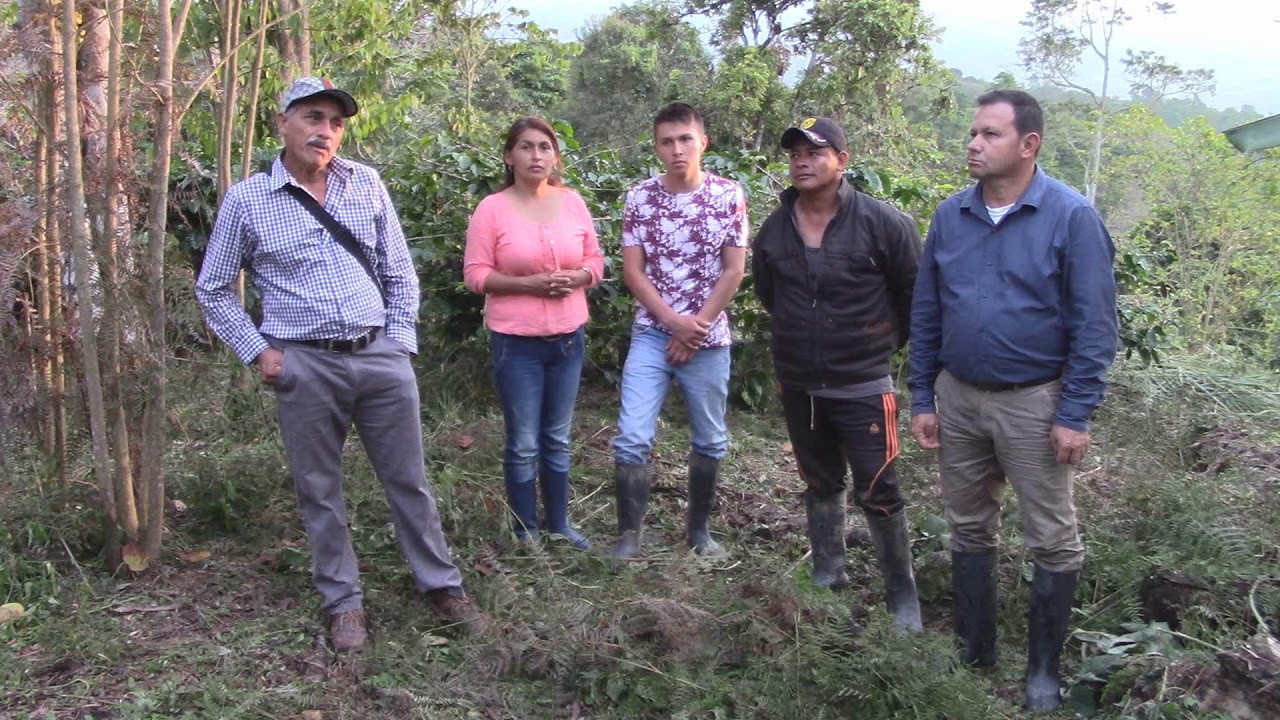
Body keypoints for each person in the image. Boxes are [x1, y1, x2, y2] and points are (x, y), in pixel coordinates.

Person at [195, 77, 484, 653]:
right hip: (304, 364)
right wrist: (260, 350)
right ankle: (343, 603)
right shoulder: (247, 200)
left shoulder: (366, 183)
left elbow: (400, 270)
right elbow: (214, 288)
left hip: (380, 356)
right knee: (319, 489)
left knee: (409, 481)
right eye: (312, 117)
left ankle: (442, 586)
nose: (324, 130)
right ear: (282, 122)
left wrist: (399, 342)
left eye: (335, 122)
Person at [908, 90, 1118, 711]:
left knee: (1051, 537)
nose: (973, 143)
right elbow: (927, 312)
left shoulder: (1070, 217)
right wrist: (923, 394)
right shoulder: (951, 216)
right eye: (973, 133)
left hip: (1036, 401)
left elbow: (1095, 325)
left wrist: (1074, 413)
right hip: (960, 397)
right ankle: (974, 649)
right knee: (969, 525)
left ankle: (1044, 671)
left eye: (990, 134)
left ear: (1029, 145)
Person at [752, 117, 924, 631]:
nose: (802, 161)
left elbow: (913, 295)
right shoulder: (775, 228)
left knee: (879, 487)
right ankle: (828, 574)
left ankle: (902, 595)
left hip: (864, 381)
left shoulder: (883, 223)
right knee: (821, 480)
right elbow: (768, 294)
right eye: (794, 153)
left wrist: (880, 345)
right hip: (799, 381)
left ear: (842, 162)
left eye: (815, 152)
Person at [611, 102, 748, 559]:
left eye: (685, 139)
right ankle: (629, 536)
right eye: (667, 141)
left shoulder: (729, 195)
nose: (677, 149)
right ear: (656, 147)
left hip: (709, 339)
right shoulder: (639, 197)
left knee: (710, 437)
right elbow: (634, 272)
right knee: (632, 434)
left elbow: (733, 270)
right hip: (652, 332)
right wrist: (673, 323)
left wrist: (697, 329)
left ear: (703, 142)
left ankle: (699, 531)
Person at [463, 117, 604, 551]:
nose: (536, 155)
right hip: (516, 343)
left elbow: (596, 261)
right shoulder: (492, 208)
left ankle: (559, 523)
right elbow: (474, 275)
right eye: (526, 147)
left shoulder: (573, 202)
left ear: (555, 156)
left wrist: (578, 276)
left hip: (568, 340)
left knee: (558, 437)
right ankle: (525, 530)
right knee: (524, 441)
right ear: (510, 156)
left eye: (544, 147)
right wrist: (529, 285)